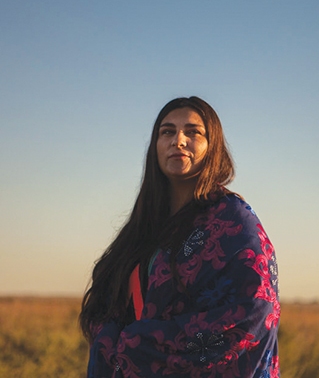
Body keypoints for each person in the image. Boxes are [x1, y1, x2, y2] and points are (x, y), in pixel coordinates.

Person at [80, 96, 280, 378]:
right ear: (155, 146)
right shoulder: (143, 226)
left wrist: (138, 345)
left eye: (193, 132)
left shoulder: (233, 221)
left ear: (213, 147)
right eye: (167, 132)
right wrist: (111, 340)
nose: (179, 140)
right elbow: (102, 305)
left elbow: (255, 313)